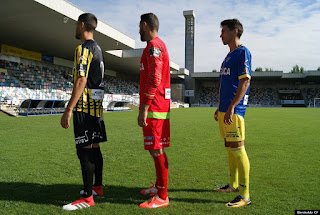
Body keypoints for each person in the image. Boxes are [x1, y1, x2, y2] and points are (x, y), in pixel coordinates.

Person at [60, 13, 106, 211]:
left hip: (84, 106)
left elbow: (81, 80)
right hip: (96, 106)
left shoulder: (83, 49)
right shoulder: (98, 49)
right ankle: (96, 187)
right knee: (94, 147)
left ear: (81, 25)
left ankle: (87, 197)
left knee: (84, 149)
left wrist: (68, 109)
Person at [213, 19, 251, 208]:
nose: (221, 35)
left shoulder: (243, 52)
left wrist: (231, 107)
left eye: (224, 31)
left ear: (234, 32)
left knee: (238, 149)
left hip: (234, 111)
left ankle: (244, 195)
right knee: (229, 148)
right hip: (225, 110)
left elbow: (244, 82)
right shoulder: (228, 56)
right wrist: (220, 107)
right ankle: (233, 185)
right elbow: (227, 85)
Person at [137, 13, 170, 209]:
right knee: (155, 149)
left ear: (144, 25)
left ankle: (163, 196)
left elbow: (154, 78)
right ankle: (159, 187)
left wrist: (145, 107)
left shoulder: (154, 46)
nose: (138, 30)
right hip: (157, 105)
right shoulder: (156, 45)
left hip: (155, 107)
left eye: (139, 26)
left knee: (156, 149)